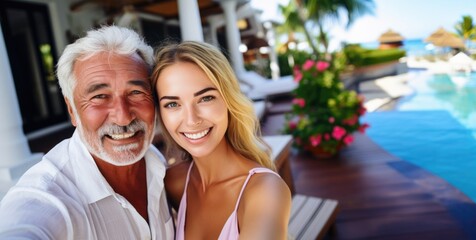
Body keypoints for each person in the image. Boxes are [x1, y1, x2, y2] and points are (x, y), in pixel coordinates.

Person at [0, 26, 174, 239]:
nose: (123, 117)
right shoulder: (49, 195)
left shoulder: (157, 162)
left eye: (136, 92)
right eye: (100, 96)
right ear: (72, 109)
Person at [152, 41, 291, 239]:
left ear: (228, 100)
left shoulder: (265, 191)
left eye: (205, 98)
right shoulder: (175, 183)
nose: (191, 120)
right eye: (173, 104)